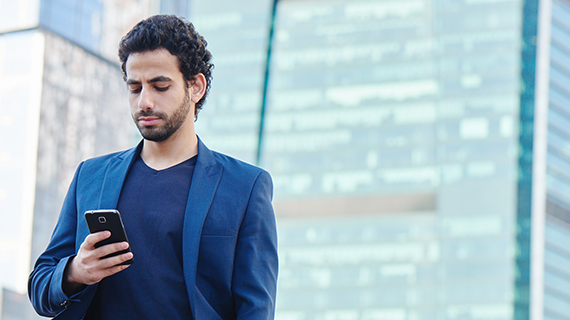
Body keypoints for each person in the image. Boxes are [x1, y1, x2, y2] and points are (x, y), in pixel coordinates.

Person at [28, 14, 278, 320]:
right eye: (135, 88)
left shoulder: (245, 187)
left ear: (195, 86)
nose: (144, 102)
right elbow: (40, 287)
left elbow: (256, 309)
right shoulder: (90, 176)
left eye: (160, 86)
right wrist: (76, 271)